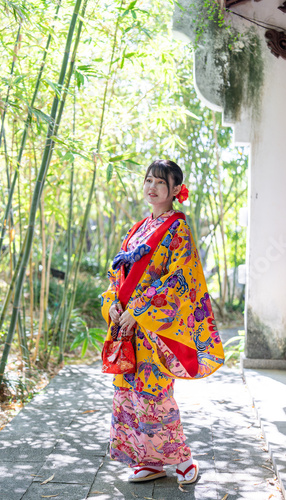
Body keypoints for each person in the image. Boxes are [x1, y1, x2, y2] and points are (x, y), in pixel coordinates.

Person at [101, 159, 224, 484]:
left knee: (155, 395)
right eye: (148, 180)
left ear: (175, 190)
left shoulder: (178, 229)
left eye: (160, 182)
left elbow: (180, 279)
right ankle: (149, 461)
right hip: (127, 328)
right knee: (129, 394)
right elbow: (118, 273)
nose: (152, 187)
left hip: (155, 330)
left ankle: (182, 459)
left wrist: (138, 308)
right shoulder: (138, 228)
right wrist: (114, 302)